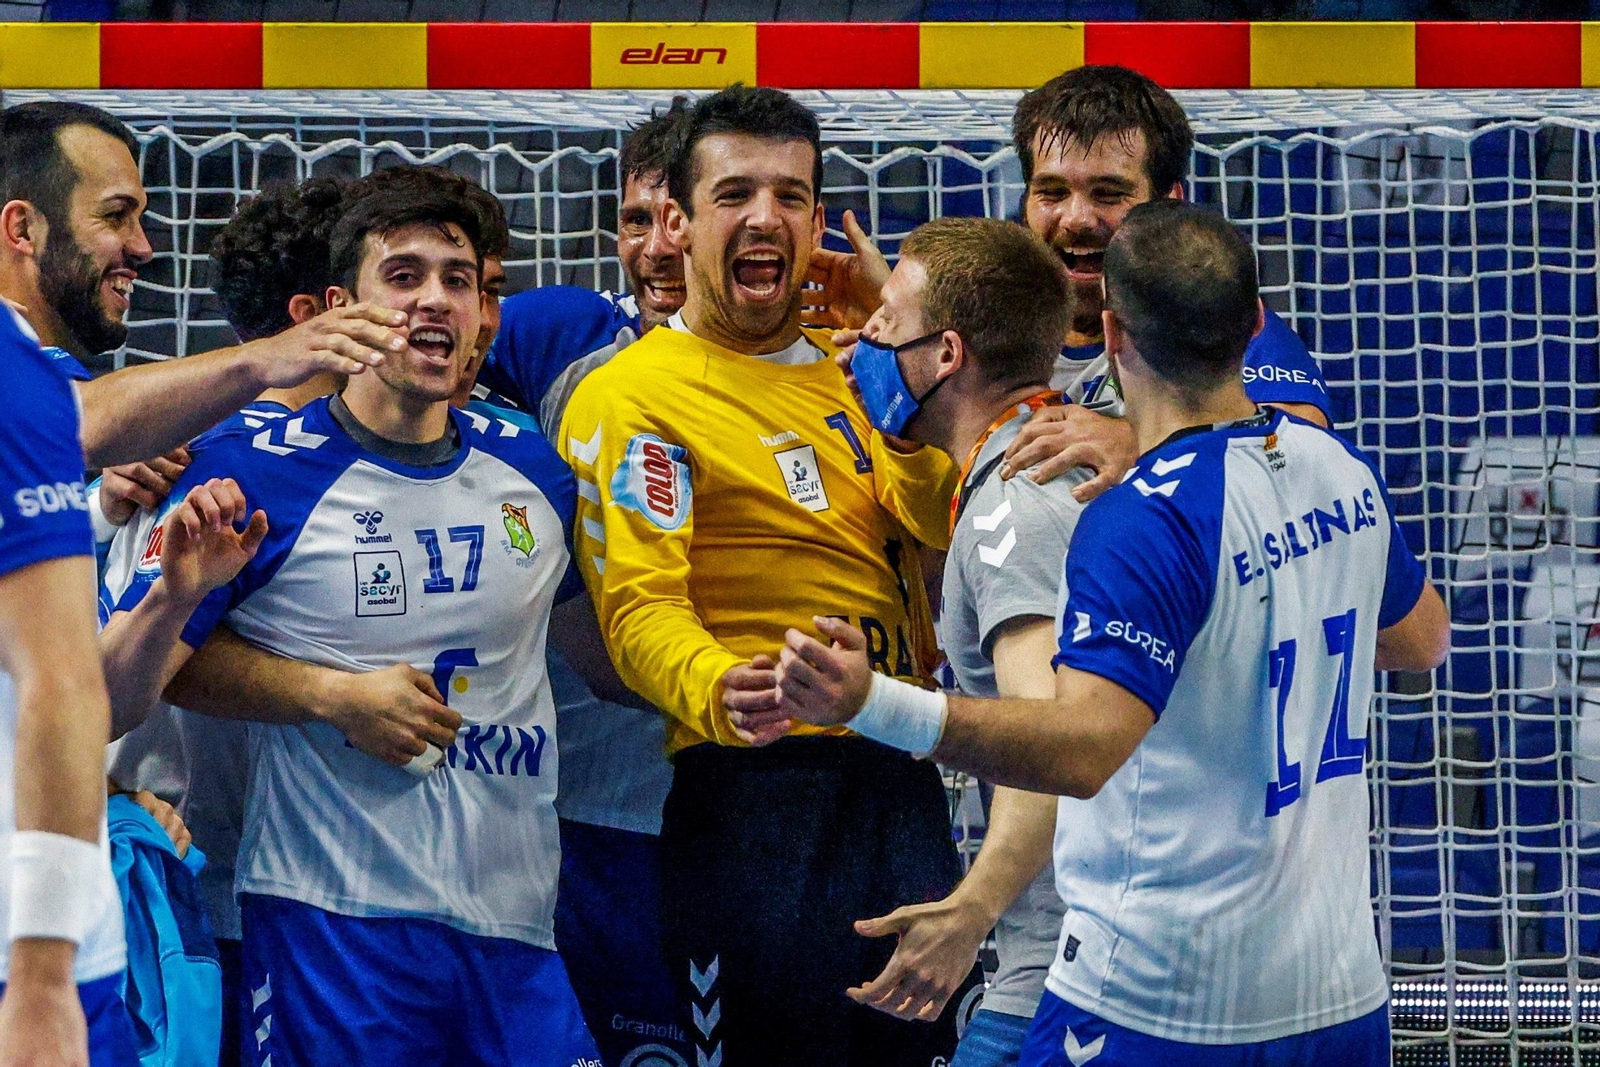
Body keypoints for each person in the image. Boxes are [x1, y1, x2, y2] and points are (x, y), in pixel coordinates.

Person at [765, 200, 1452, 1066]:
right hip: (1342, 992)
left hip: (1158, 997)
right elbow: (1422, 640)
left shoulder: (1132, 515)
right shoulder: (1333, 467)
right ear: (1253, 325)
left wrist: (875, 702)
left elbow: (1081, 747)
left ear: (1114, 334)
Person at [111, 171, 601, 1066]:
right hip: (332, 921)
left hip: (517, 921)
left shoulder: (537, 467)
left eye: (458, 279)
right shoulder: (252, 473)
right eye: (404, 276)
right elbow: (149, 676)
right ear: (340, 309)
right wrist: (331, 695)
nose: (436, 301)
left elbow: (587, 655)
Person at [558, 84, 978, 1067]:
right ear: (682, 220)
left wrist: (893, 341)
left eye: (791, 197)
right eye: (734, 194)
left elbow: (935, 521)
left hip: (901, 777)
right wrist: (714, 684)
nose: (764, 218)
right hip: (755, 798)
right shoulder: (636, 397)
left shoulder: (854, 366)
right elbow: (640, 602)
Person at [835, 217, 1088, 1066]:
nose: (865, 339)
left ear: (945, 354)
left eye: (884, 322)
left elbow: (1054, 739)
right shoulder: (1065, 455)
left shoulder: (1013, 505)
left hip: (1063, 976)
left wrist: (969, 908)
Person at [999, 64, 1333, 496]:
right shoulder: (994, 319)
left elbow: (1307, 443)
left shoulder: (1211, 313)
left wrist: (1137, 443)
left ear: (1168, 202)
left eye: (1108, 193)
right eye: (1053, 193)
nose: (1077, 219)